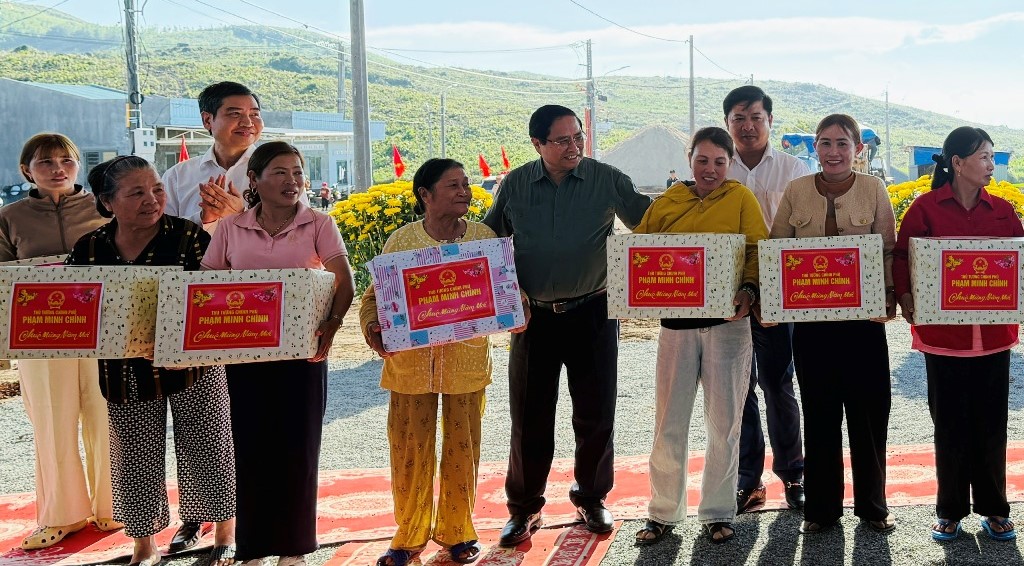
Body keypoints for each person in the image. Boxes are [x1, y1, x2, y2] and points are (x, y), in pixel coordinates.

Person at [483, 104, 651, 546]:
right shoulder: (516, 184)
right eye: (562, 140)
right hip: (532, 319)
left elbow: (652, 221)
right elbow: (489, 242)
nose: (574, 146)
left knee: (596, 411)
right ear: (537, 144)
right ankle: (524, 507)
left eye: (578, 137)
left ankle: (591, 497)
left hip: (593, 312)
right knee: (529, 415)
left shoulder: (606, 178)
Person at [66, 156, 236, 566]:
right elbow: (77, 310)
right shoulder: (90, 247)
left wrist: (182, 343)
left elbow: (214, 296)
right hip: (123, 369)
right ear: (107, 202)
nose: (152, 199)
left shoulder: (188, 236)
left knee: (209, 444)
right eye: (136, 192)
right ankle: (144, 544)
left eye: (157, 189)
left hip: (194, 364)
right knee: (133, 453)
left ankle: (225, 531)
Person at [359, 158, 527, 566]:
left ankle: (457, 532)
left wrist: (518, 308)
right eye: (453, 185)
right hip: (410, 368)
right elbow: (373, 298)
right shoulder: (401, 241)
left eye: (466, 184)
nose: (464, 191)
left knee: (462, 450)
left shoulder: (484, 238)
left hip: (465, 365)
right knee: (409, 451)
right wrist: (374, 328)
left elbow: (507, 289)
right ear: (425, 194)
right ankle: (408, 536)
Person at [201, 141, 355, 565]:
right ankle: (252, 547)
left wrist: (333, 323)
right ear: (254, 179)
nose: (293, 181)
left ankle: (294, 548)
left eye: (298, 172)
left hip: (303, 355)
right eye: (280, 173)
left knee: (299, 448)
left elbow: (343, 279)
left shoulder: (319, 223)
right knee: (251, 448)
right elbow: (207, 285)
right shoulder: (231, 228)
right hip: (245, 357)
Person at [632, 127, 766, 546]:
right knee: (668, 422)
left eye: (720, 162)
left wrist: (749, 290)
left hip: (729, 326)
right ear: (689, 160)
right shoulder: (667, 202)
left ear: (730, 163)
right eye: (703, 160)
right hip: (676, 327)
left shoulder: (741, 198)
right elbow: (639, 253)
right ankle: (662, 512)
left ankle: (718, 512)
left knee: (725, 424)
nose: (711, 169)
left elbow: (757, 250)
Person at [893, 126, 1024, 542]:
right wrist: (906, 295)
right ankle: (949, 510)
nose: (991, 165)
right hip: (943, 338)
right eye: (984, 156)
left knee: (991, 424)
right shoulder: (925, 209)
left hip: (994, 336)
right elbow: (903, 256)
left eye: (992, 156)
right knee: (949, 424)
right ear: (958, 162)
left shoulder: (1003, 211)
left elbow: (1019, 261)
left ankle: (994, 508)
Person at [772, 114, 896, 535]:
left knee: (868, 415)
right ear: (816, 148)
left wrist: (890, 297)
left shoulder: (874, 189)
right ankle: (822, 510)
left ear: (857, 149)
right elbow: (777, 249)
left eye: (842, 143)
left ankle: (873, 507)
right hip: (812, 327)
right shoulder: (796, 190)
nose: (833, 151)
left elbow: (887, 249)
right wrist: (772, 303)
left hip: (864, 324)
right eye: (825, 143)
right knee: (820, 415)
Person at [0, 134, 115, 550]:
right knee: (52, 423)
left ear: (78, 164)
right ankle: (60, 515)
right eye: (45, 162)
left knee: (107, 417)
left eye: (66, 160)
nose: (57, 169)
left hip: (103, 332)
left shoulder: (105, 208)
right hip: (39, 337)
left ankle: (114, 506)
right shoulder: (9, 217)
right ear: (26, 170)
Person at [724, 85, 810, 512]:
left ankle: (793, 474)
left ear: (770, 121)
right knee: (738, 389)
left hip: (779, 294)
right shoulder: (719, 167)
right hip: (728, 293)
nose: (748, 126)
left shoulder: (794, 169)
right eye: (739, 118)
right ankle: (748, 479)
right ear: (727, 123)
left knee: (777, 383)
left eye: (756, 117)